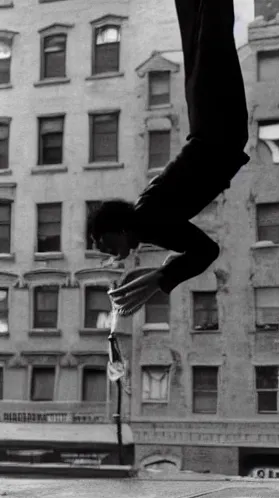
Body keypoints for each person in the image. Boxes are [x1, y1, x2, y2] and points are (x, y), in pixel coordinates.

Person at [88, 0, 249, 316]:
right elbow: (196, 247)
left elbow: (206, 250)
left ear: (119, 229)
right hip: (213, 130)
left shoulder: (150, 223)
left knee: (209, 34)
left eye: (106, 246)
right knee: (203, 35)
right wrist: (160, 275)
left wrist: (160, 279)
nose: (112, 256)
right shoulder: (149, 220)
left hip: (218, 133)